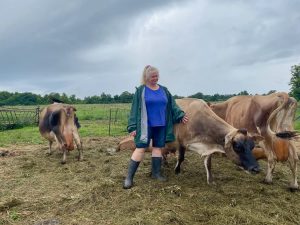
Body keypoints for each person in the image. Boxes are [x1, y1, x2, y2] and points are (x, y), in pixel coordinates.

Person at [123, 65, 188, 189]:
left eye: (157, 76)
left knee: (158, 148)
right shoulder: (141, 91)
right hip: (145, 126)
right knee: (140, 148)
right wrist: (132, 126)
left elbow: (172, 105)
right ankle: (129, 178)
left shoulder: (164, 90)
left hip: (161, 125)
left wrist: (180, 115)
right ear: (146, 77)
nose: (155, 78)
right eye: (153, 76)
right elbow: (134, 109)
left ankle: (156, 173)